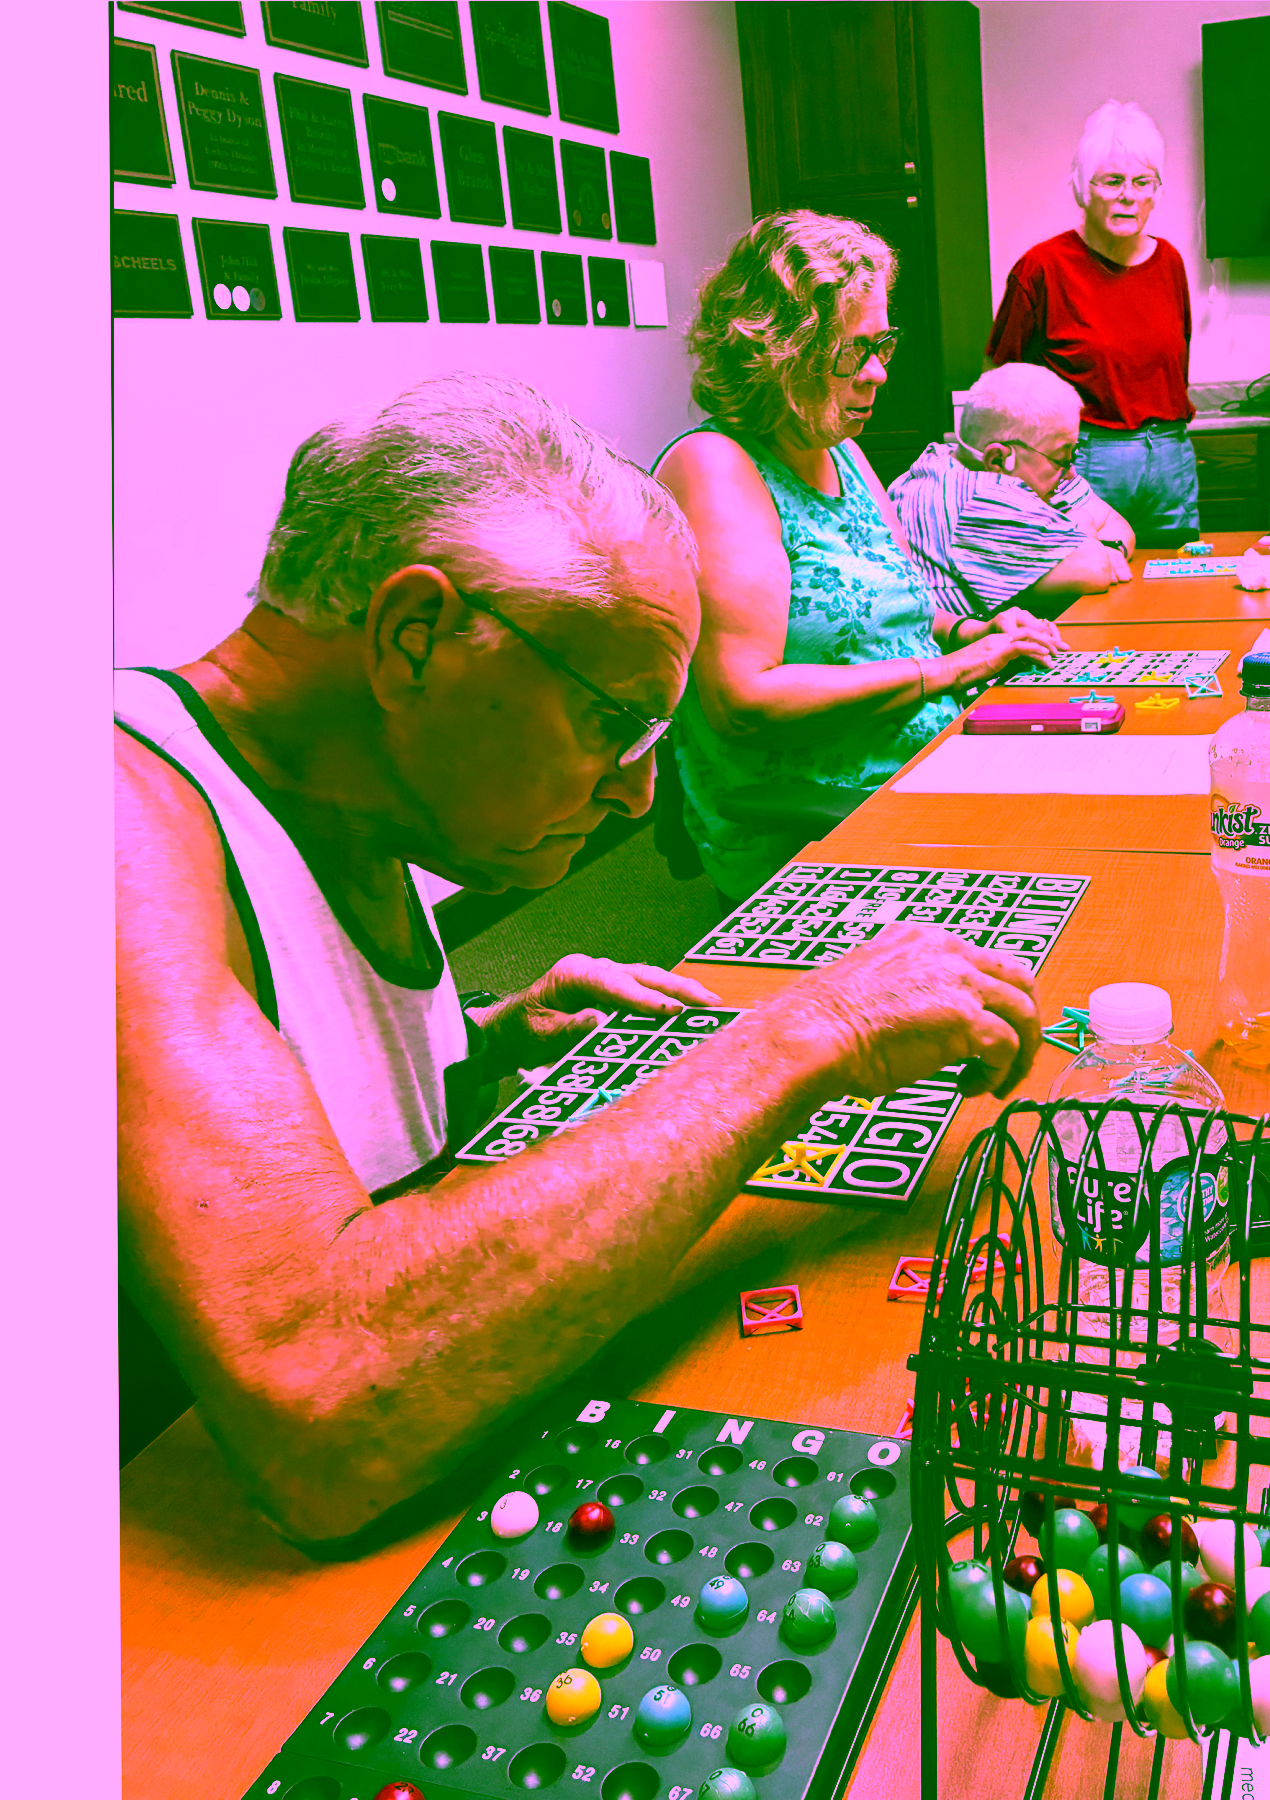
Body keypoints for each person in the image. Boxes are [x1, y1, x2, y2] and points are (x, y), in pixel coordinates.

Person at [115, 373, 1043, 1548]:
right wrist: (808, 1034)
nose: (641, 794)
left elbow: (272, 1044)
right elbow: (325, 1395)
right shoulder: (107, 820)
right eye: (614, 724)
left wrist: (478, 1032)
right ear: (415, 639)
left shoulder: (347, 792)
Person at [655, 212, 1066, 902]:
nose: (877, 373)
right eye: (854, 352)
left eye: (883, 345)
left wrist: (975, 630)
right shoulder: (715, 467)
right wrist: (952, 670)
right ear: (783, 350)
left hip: (922, 760)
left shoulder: (839, 448)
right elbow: (744, 701)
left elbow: (897, 607)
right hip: (823, 808)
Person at [986, 100, 1198, 542]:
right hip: (1085, 461)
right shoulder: (1042, 268)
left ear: (1156, 191)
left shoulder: (1170, 262)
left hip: (1171, 457)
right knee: (1094, 580)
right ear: (1083, 188)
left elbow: (1176, 369)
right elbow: (999, 384)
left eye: (1142, 181)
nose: (1128, 195)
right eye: (1112, 180)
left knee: (1179, 574)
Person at [888, 362, 1138, 622]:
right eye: (1060, 459)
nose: (1070, 472)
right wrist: (1083, 522)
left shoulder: (986, 462)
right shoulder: (980, 497)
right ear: (998, 459)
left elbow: (1116, 524)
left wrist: (1108, 548)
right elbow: (1094, 568)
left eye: (1071, 455)